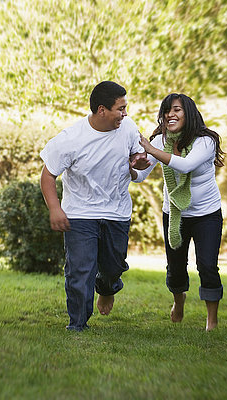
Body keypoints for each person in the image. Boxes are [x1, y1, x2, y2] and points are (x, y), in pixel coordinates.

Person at [40, 81, 149, 332]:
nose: (125, 114)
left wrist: (139, 163)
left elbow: (137, 159)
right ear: (102, 110)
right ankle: (77, 323)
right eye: (120, 109)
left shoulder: (128, 127)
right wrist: (55, 209)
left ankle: (108, 286)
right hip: (80, 213)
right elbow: (47, 175)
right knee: (80, 269)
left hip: (117, 211)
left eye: (125, 108)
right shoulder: (71, 139)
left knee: (114, 265)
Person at [132, 93, 226, 331]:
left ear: (189, 114)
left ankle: (211, 320)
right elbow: (141, 177)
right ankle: (179, 301)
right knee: (175, 266)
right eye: (166, 111)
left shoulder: (205, 141)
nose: (170, 115)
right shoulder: (162, 140)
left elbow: (185, 164)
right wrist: (132, 167)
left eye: (176, 110)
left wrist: (152, 150)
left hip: (206, 214)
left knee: (207, 265)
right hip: (174, 214)